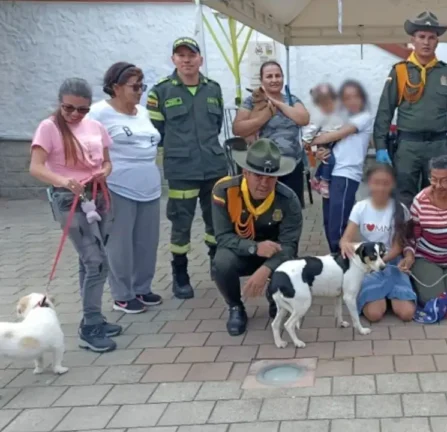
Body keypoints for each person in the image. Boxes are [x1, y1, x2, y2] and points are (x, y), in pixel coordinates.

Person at [29, 78, 122, 353]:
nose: (75, 115)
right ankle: (90, 327)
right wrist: (63, 181)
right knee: (97, 262)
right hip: (68, 199)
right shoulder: (49, 127)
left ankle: (93, 316)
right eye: (69, 108)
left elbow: (106, 161)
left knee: (89, 260)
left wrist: (104, 171)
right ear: (60, 104)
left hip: (98, 195)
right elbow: (36, 167)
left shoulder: (95, 127)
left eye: (82, 110)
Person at [146, 37, 228, 300]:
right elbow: (156, 131)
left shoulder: (213, 89)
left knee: (216, 220)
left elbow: (215, 128)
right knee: (180, 225)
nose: (186, 60)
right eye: (180, 55)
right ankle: (180, 274)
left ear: (200, 59)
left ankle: (218, 265)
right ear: (173, 60)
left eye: (191, 55)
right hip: (181, 169)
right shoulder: (160, 92)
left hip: (213, 167)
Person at [373, 11, 447, 207]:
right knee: (404, 199)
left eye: (431, 37)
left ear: (437, 42)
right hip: (408, 147)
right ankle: (406, 238)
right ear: (413, 40)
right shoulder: (399, 71)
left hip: (438, 145)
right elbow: (385, 111)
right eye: (422, 37)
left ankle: (434, 238)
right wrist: (381, 146)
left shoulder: (446, 73)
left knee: (439, 195)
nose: (426, 42)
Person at [88, 62, 163, 314]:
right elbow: (83, 143)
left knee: (147, 242)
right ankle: (122, 295)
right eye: (135, 86)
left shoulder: (142, 112)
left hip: (149, 185)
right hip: (117, 186)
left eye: (142, 85)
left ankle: (142, 287)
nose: (140, 90)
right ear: (116, 87)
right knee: (120, 244)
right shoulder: (98, 113)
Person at [211, 138, 303, 335]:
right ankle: (236, 307)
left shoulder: (288, 200)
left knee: (292, 264)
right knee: (221, 262)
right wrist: (254, 247)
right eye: (258, 176)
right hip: (240, 253)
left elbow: (289, 246)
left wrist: (266, 270)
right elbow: (223, 237)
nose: (264, 183)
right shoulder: (224, 191)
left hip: (275, 256)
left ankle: (276, 299)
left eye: (270, 177)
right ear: (245, 172)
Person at [339, 164, 417, 322]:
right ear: (369, 183)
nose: (380, 188)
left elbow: (397, 247)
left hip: (392, 261)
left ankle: (391, 295)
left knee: (407, 314)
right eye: (376, 182)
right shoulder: (360, 208)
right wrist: (345, 245)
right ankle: (383, 297)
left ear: (393, 184)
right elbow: (345, 238)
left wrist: (382, 262)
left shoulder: (400, 209)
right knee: (374, 315)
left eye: (386, 183)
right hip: (369, 262)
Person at [398, 155, 447, 304]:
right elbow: (411, 237)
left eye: (443, 180)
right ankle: (422, 277)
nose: (437, 185)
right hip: (427, 257)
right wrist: (409, 256)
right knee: (434, 300)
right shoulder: (420, 201)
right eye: (433, 179)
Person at [232, 61, 311, 207]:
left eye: (278, 76)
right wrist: (265, 116)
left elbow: (304, 119)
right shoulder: (251, 102)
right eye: (269, 76)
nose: (274, 80)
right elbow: (238, 129)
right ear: (262, 80)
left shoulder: (292, 100)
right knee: (265, 211)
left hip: (292, 165)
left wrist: (277, 103)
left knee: (292, 211)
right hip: (263, 169)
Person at [312, 80, 374, 253]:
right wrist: (318, 150)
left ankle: (342, 261)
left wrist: (310, 141)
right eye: (347, 97)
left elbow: (337, 134)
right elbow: (328, 139)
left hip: (346, 175)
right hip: (330, 173)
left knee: (338, 225)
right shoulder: (339, 118)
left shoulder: (364, 117)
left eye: (356, 96)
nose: (352, 101)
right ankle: (336, 258)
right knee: (328, 221)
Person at [303, 83, 345, 199]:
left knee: (327, 159)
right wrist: (308, 142)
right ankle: (324, 183)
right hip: (322, 141)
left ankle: (316, 178)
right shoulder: (317, 113)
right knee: (329, 159)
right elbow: (311, 130)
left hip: (332, 140)